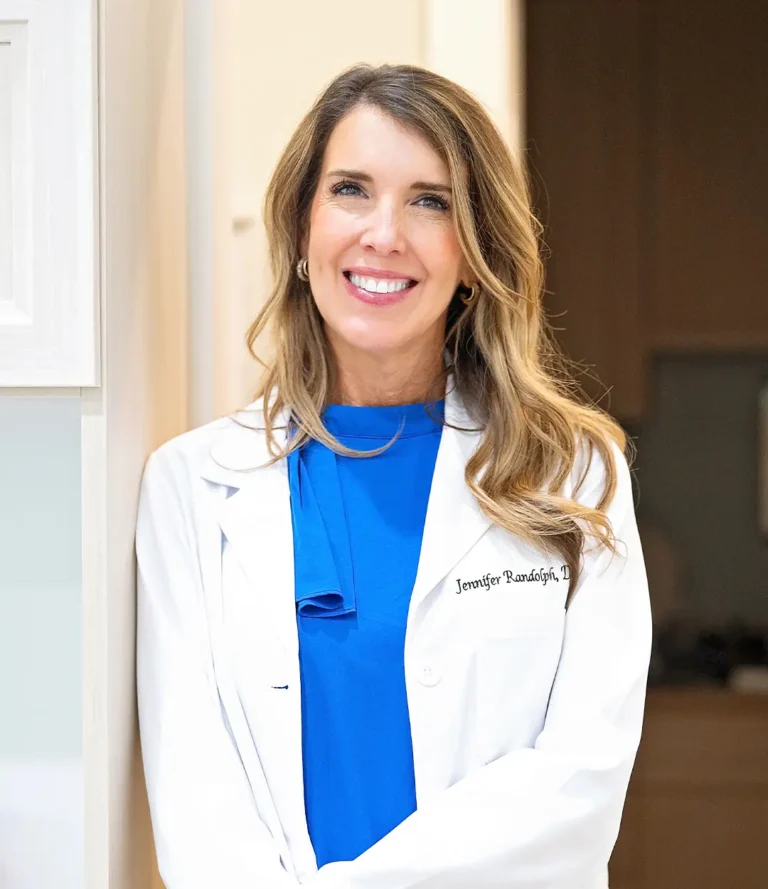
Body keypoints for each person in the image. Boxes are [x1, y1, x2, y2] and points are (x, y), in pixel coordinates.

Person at [135, 62, 652, 889]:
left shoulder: (574, 474)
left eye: (430, 200)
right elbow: (198, 805)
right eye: (350, 189)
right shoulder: (192, 488)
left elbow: (579, 788)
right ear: (302, 229)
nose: (384, 233)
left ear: (475, 254)